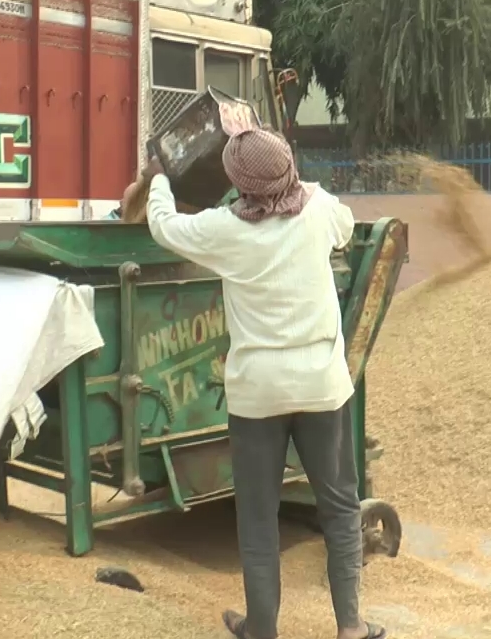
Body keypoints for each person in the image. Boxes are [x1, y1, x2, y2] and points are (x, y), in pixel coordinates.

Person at [137, 129, 386, 639]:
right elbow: (343, 225)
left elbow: (163, 227)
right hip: (321, 385)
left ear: (238, 184)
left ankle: (262, 630)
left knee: (257, 517)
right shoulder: (317, 210)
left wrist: (160, 178)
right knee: (339, 506)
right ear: (290, 169)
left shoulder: (224, 230)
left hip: (257, 395)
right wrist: (300, 186)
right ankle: (352, 628)